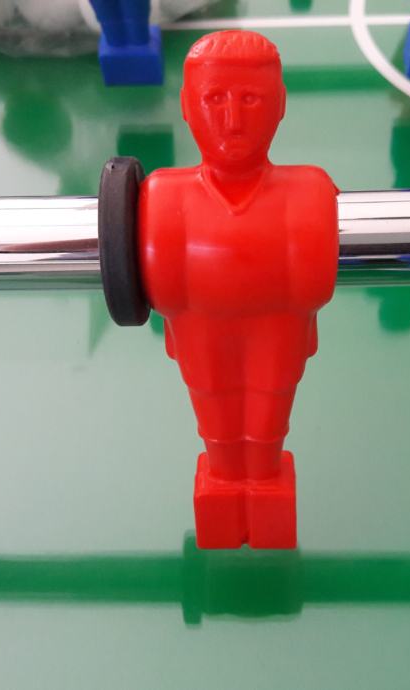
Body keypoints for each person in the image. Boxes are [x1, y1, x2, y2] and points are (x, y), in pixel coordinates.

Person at [139, 30, 339, 549]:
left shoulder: (310, 194)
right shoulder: (163, 198)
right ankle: (226, 488)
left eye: (250, 99)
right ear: (187, 106)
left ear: (280, 105)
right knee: (220, 425)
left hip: (277, 336)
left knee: (267, 423)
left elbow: (313, 286)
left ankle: (262, 488)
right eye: (214, 99)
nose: (232, 120)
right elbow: (164, 291)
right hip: (202, 338)